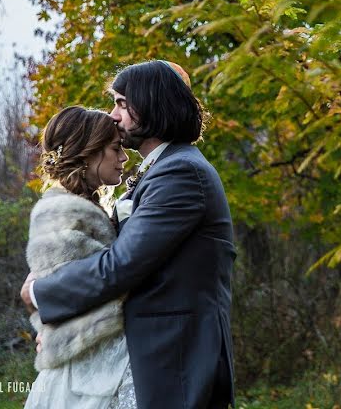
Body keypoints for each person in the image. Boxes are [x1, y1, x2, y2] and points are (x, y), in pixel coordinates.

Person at [21, 60, 237, 409]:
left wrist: (41, 294)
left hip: (175, 358)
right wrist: (64, 333)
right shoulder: (163, 171)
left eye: (122, 103)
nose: (114, 116)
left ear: (151, 104)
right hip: (154, 355)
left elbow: (121, 265)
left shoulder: (181, 172)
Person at [24, 106, 134, 409]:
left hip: (96, 355)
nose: (124, 158)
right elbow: (87, 288)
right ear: (87, 154)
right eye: (115, 148)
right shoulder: (65, 212)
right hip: (86, 365)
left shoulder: (83, 207)